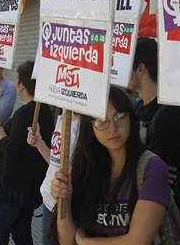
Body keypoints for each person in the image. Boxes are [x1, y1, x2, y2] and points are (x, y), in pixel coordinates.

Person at [50, 86, 170, 245]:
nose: (112, 128)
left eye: (120, 117)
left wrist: (86, 242)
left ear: (131, 119)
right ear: (90, 127)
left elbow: (137, 241)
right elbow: (67, 240)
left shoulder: (152, 168)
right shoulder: (84, 167)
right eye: (101, 120)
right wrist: (65, 198)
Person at [128, 37, 180, 244]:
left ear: (141, 68)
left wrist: (142, 166)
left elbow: (148, 172)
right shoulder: (138, 106)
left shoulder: (171, 112)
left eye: (125, 64)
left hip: (176, 215)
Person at [0, 61, 54, 245]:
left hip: (11, 190)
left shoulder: (27, 113)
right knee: (22, 235)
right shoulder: (46, 112)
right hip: (29, 189)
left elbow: (12, 150)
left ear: (22, 86)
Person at [28, 111, 81, 245]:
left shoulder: (83, 125)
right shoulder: (61, 117)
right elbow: (55, 162)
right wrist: (38, 142)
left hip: (65, 205)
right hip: (49, 200)